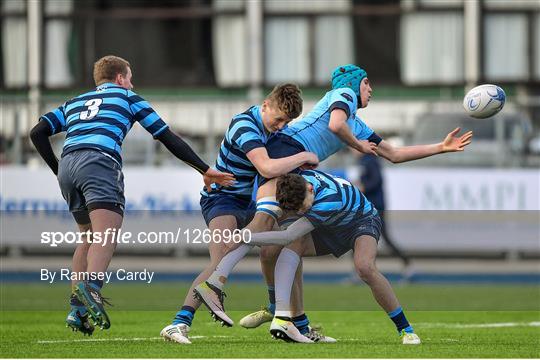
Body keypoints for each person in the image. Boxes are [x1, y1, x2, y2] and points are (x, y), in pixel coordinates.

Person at [194, 64, 473, 341]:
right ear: (353, 84)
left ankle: (282, 313)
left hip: (296, 164)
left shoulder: (359, 124)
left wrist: (440, 147)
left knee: (280, 245)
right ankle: (219, 285)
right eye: (366, 83)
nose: (371, 89)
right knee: (264, 229)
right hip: (288, 152)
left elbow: (394, 154)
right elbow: (335, 125)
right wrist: (358, 145)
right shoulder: (344, 94)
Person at [29, 55, 234, 335]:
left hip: (68, 164)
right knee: (106, 235)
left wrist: (58, 169)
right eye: (130, 77)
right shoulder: (128, 97)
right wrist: (204, 168)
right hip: (99, 161)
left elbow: (37, 132)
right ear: (120, 78)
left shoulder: (75, 102)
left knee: (87, 238)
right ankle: (91, 289)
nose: (132, 83)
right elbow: (165, 136)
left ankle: (77, 311)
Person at [160, 84, 319, 344]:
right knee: (222, 256)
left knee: (290, 249)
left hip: (249, 202)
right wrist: (304, 156)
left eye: (287, 122)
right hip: (222, 199)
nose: (281, 126)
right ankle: (178, 324)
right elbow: (266, 167)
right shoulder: (245, 125)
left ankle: (295, 322)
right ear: (266, 104)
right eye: (279, 119)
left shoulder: (272, 127)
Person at [357, 153, 411, 271]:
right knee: (358, 238)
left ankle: (407, 264)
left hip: (375, 207)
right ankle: (360, 271)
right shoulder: (365, 161)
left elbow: (376, 180)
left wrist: (363, 187)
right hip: (370, 206)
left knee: (365, 238)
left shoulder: (370, 161)